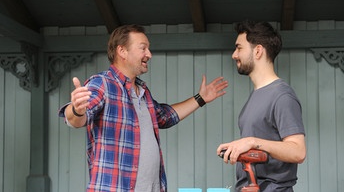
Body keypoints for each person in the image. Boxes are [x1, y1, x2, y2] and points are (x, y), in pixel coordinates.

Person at [58, 24, 228, 192]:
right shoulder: (102, 84)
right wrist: (76, 109)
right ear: (122, 51)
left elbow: (165, 116)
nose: (149, 54)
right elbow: (76, 119)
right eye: (143, 48)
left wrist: (201, 98)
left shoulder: (142, 91)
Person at [216, 20, 306, 192]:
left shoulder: (282, 95)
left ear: (258, 51)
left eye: (239, 48)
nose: (234, 55)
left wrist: (251, 142)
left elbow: (298, 151)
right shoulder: (256, 95)